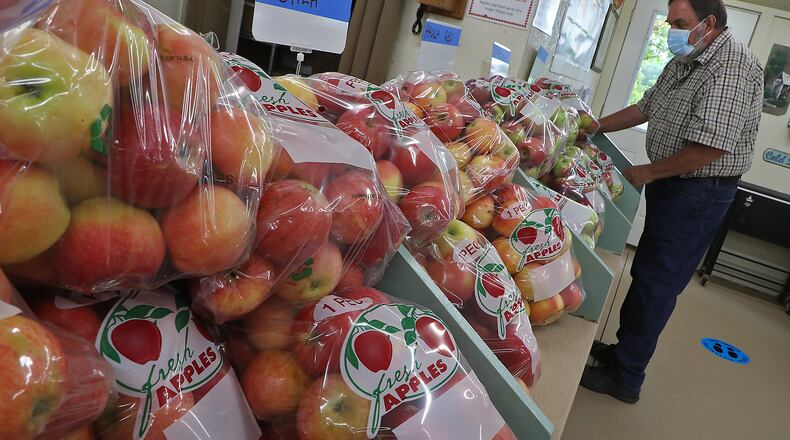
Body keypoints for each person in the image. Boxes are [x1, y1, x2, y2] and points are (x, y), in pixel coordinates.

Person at [580, 0, 763, 403]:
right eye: (669, 22)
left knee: (658, 282)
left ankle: (626, 378)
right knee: (647, 272)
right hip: (674, 183)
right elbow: (646, 107)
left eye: (680, 23)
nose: (671, 31)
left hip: (699, 191)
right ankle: (623, 353)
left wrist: (646, 172)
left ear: (708, 23)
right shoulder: (686, 59)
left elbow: (710, 148)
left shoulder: (732, 65)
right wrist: (594, 126)